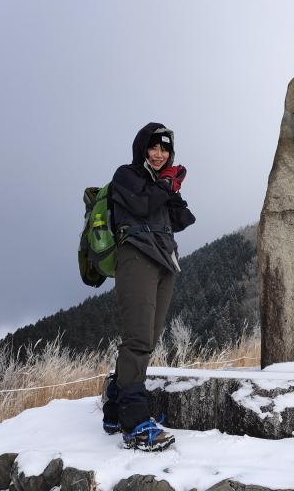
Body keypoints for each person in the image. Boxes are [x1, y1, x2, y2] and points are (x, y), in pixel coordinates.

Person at [102, 122, 195, 451]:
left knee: (149, 337)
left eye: (165, 149)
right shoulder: (126, 175)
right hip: (137, 256)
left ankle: (114, 404)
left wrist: (171, 186)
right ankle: (135, 422)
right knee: (139, 338)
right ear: (142, 148)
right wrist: (165, 186)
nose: (159, 154)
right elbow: (140, 208)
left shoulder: (161, 182)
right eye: (153, 147)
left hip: (165, 261)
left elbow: (184, 220)